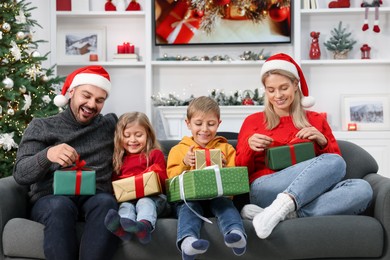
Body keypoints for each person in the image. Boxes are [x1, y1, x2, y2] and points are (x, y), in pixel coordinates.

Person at [235, 53, 373, 239]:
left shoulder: (315, 120)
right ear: (265, 91)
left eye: (284, 88)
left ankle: (280, 213)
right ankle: (281, 206)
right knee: (333, 162)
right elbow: (238, 172)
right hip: (265, 189)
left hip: (310, 191)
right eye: (271, 90)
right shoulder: (253, 122)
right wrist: (249, 147)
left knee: (362, 189)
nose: (278, 95)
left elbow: (338, 168)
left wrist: (322, 142)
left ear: (295, 85)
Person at [13, 65, 120, 260]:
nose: (91, 104)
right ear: (71, 92)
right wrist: (48, 155)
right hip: (51, 198)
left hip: (95, 197)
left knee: (106, 202)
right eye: (86, 96)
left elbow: (141, 137)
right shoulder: (42, 126)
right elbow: (20, 174)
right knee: (59, 206)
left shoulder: (110, 125)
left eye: (99, 100)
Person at [167, 96, 247, 260]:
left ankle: (236, 234)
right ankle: (188, 242)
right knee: (188, 207)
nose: (205, 129)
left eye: (211, 124)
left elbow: (234, 182)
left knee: (225, 204)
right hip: (189, 199)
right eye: (198, 124)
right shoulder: (178, 150)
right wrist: (184, 163)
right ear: (188, 123)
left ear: (219, 123)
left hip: (218, 196)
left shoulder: (226, 148)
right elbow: (171, 180)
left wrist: (224, 169)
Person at [104, 112, 169, 244]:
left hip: (154, 199)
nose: (132, 140)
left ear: (148, 135)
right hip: (129, 199)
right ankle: (123, 231)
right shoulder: (119, 159)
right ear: (119, 137)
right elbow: (115, 187)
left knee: (143, 202)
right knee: (125, 207)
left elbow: (164, 182)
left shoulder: (154, 154)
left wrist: (150, 175)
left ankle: (144, 227)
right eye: (127, 136)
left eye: (138, 135)